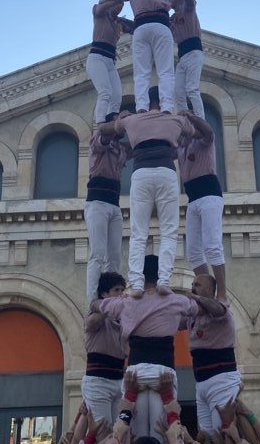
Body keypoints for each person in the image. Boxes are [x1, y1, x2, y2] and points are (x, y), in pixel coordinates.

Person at [93, 254, 199, 439]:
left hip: (136, 371)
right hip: (163, 370)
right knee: (162, 433)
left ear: (140, 275)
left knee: (137, 435)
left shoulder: (126, 302)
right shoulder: (175, 300)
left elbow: (98, 305)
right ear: (161, 275)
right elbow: (198, 309)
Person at [97, 96, 193, 293]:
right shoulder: (174, 120)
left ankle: (138, 284)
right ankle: (164, 281)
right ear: (164, 101)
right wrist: (183, 122)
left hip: (141, 174)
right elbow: (194, 135)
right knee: (169, 231)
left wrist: (119, 121)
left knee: (138, 232)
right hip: (166, 173)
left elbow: (102, 130)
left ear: (146, 103)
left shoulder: (133, 120)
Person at [114, 0, 182, 112]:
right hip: (161, 27)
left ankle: (141, 108)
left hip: (140, 29)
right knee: (165, 71)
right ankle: (167, 107)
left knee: (141, 73)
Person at [178, 111, 226, 300]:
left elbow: (208, 132)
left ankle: (222, 292)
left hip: (209, 194)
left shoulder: (203, 142)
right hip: (193, 199)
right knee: (193, 253)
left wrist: (191, 117)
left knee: (213, 245)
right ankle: (207, 290)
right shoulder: (180, 148)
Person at [188, 272, 239, 432]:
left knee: (223, 432)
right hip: (201, 382)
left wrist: (196, 299)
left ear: (210, 289)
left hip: (221, 379)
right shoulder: (194, 316)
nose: (193, 288)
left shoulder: (221, 310)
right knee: (207, 436)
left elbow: (218, 309)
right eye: (192, 285)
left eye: (197, 285)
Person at [84, 128, 129, 302]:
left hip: (114, 205)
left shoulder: (121, 149)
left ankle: (113, 295)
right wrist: (118, 122)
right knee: (97, 253)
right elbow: (103, 134)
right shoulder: (99, 143)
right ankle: (93, 300)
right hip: (97, 203)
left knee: (115, 255)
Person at [82, 271, 128, 425]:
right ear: (104, 293)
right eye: (116, 290)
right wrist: (106, 306)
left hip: (118, 380)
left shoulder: (121, 319)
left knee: (119, 430)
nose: (121, 294)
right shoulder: (96, 316)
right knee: (102, 430)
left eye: (122, 290)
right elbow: (91, 324)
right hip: (99, 381)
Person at [86, 0, 132, 125]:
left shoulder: (118, 22)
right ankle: (100, 124)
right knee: (105, 92)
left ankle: (112, 119)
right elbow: (98, 9)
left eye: (121, 5)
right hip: (97, 58)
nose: (119, 7)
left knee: (116, 96)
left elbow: (136, 27)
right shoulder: (100, 13)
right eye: (118, 5)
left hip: (110, 62)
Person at [170, 0, 204, 119]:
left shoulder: (188, 9)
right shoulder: (173, 20)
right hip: (182, 56)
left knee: (192, 89)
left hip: (194, 52)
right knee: (178, 91)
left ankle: (201, 119)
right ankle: (185, 117)